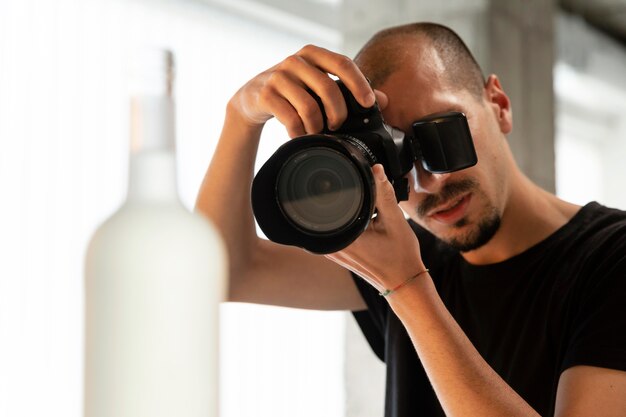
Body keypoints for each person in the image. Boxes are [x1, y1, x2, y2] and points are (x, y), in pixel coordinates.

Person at [196, 22, 626, 416]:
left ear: (498, 104)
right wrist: (241, 116)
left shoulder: (611, 258)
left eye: (442, 135)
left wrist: (406, 287)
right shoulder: (408, 252)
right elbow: (223, 273)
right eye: (395, 159)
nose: (430, 183)